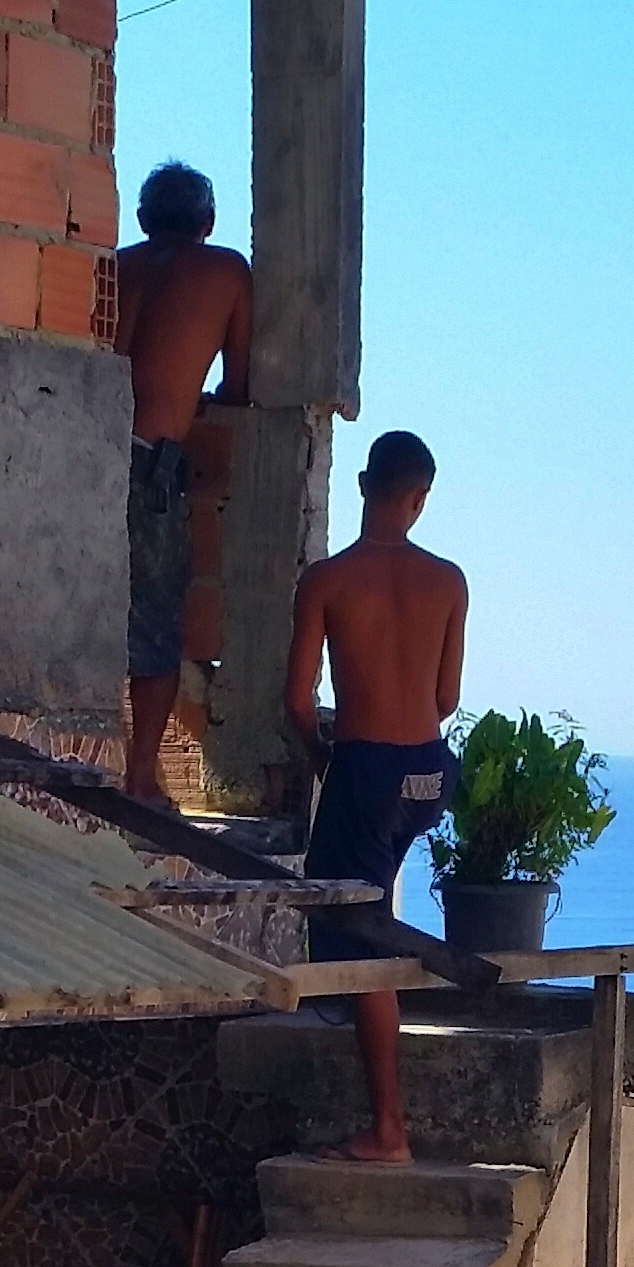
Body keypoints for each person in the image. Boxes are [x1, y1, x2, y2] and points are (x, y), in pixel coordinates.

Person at [285, 430, 468, 1166]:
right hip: (429, 772)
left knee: (357, 936)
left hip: (366, 771)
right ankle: (380, 1103)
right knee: (371, 915)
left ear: (365, 485)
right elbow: (446, 697)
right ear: (419, 499)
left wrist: (324, 759)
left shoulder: (328, 581)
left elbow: (297, 702)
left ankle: (388, 1128)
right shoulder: (450, 580)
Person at [113, 161, 251, 803]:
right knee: (158, 619)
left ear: (142, 220)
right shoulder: (224, 270)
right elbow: (241, 385)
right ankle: (141, 774)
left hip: (80, 448)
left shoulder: (114, 265)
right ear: (208, 223)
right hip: (151, 462)